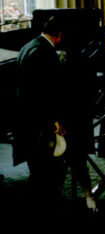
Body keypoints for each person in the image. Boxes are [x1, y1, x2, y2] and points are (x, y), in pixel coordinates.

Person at [15, 15, 68, 211]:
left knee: (37, 171)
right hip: (40, 125)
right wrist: (54, 120)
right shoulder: (44, 53)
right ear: (60, 35)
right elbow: (44, 92)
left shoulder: (28, 47)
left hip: (26, 121)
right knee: (49, 174)